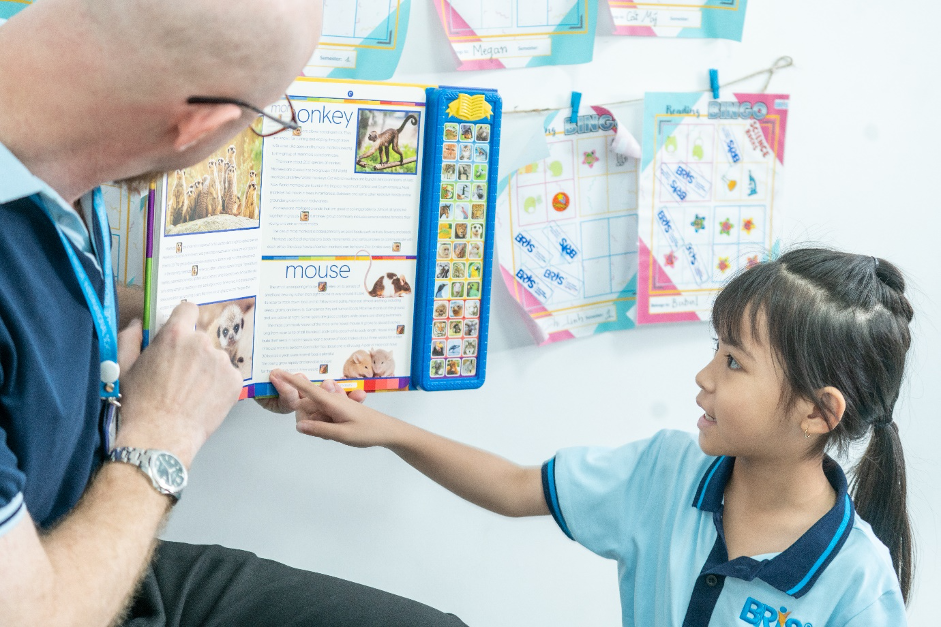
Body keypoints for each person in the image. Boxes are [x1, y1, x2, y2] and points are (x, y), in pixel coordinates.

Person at [0, 1, 465, 625]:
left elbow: (40, 311)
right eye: (267, 116)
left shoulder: (46, 129)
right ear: (199, 125)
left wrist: (218, 344)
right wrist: (165, 429)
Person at [272, 248, 914, 626]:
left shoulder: (859, 584)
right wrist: (385, 431)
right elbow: (515, 488)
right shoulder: (665, 472)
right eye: (715, 349)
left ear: (817, 412)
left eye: (734, 362)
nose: (704, 376)